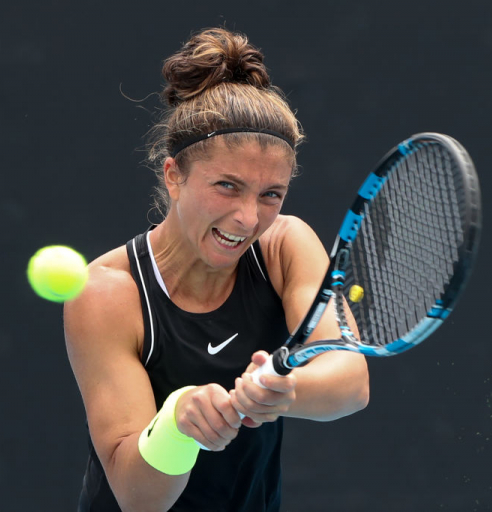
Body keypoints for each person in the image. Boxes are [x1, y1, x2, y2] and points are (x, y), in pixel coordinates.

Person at [64, 28, 370, 512]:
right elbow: (137, 497)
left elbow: (350, 382)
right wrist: (178, 424)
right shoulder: (106, 293)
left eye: (271, 193)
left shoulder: (285, 245)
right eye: (228, 186)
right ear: (174, 176)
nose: (249, 218)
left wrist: (284, 392)